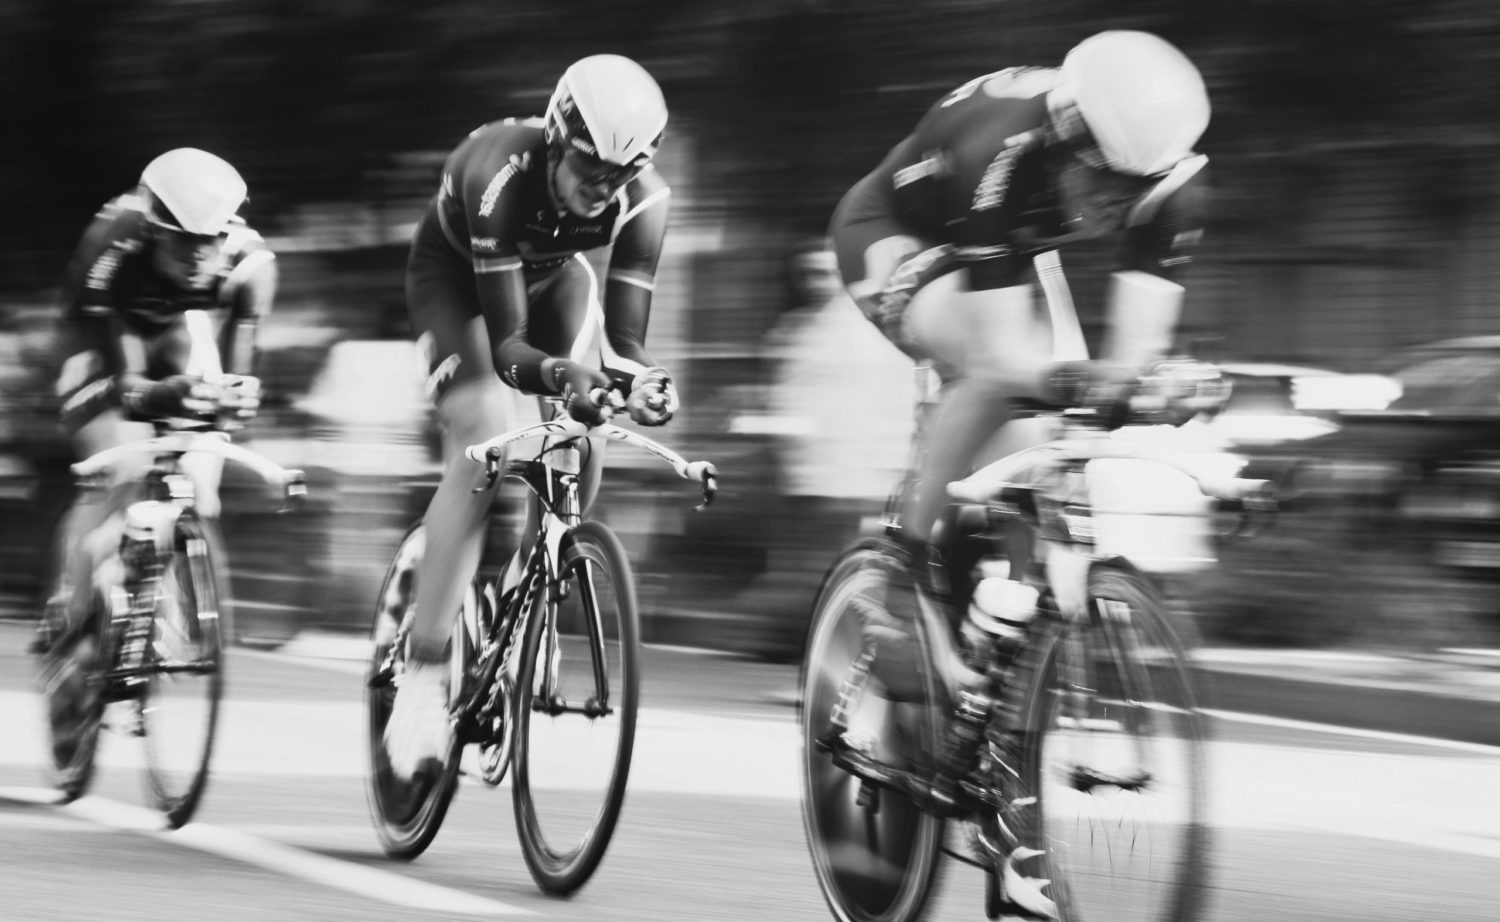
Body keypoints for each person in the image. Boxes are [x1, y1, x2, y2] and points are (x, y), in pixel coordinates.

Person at [827, 30, 1211, 919]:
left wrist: (1153, 384)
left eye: (1135, 192)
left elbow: (1131, 361)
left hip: (1013, 247)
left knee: (1055, 452)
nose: (1119, 207)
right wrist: (1093, 384)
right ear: (1069, 140)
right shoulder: (1002, 151)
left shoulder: (1169, 176)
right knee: (998, 375)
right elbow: (1003, 359)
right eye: (1105, 185)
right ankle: (901, 565)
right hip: (896, 228)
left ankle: (1011, 794)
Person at [383, 54, 679, 781]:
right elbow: (513, 351)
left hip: (554, 281)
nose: (600, 186)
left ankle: (530, 589)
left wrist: (641, 383)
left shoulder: (646, 200)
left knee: (588, 436)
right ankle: (421, 676)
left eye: (617, 174)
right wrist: (564, 374)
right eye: (587, 166)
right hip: (458, 285)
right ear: (556, 136)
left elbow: (627, 342)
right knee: (485, 426)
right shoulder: (500, 175)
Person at [36, 147, 275, 749]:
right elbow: (130, 385)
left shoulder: (250, 266)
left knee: (203, 480)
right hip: (97, 343)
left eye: (208, 244)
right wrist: (164, 395)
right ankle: (72, 615)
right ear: (150, 230)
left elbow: (233, 371)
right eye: (179, 244)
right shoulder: (115, 246)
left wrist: (234, 398)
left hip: (174, 335)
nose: (196, 258)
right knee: (123, 465)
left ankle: (155, 585)